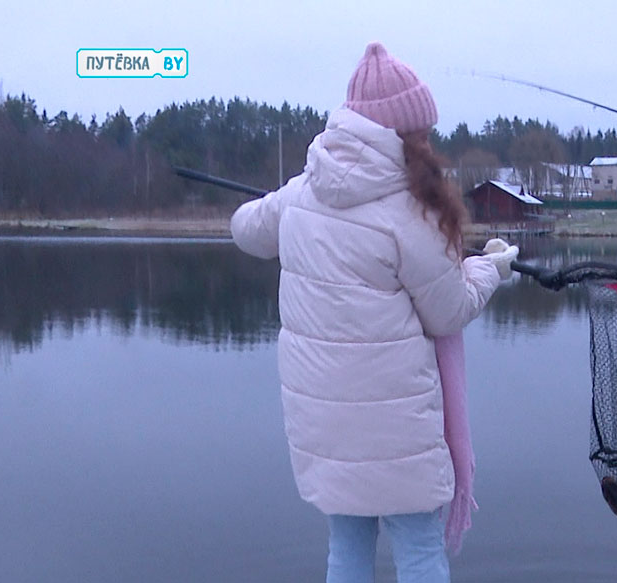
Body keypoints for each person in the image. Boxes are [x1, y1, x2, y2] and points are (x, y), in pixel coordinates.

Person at [230, 42, 518, 583]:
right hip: (398, 430)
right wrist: (491, 269)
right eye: (423, 133)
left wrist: (284, 202)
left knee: (347, 544)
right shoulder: (408, 215)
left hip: (326, 428)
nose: (430, 144)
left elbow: (245, 228)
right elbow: (450, 311)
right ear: (402, 135)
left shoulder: (301, 193)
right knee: (418, 546)